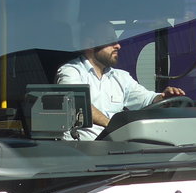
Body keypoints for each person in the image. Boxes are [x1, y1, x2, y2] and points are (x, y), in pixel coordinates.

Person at [56, 23, 186, 140]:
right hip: (80, 151)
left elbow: (146, 99)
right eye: (110, 41)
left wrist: (163, 98)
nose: (118, 45)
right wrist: (112, 126)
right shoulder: (71, 72)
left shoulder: (120, 77)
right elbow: (79, 106)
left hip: (115, 148)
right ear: (90, 45)